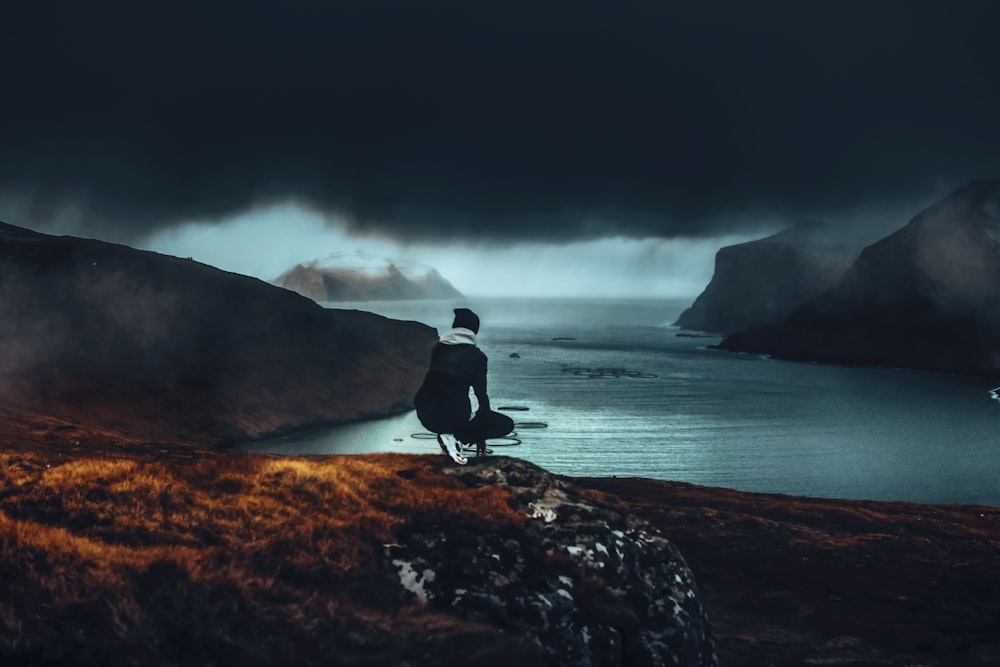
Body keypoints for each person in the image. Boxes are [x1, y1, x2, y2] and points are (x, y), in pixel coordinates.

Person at [414, 307, 514, 464]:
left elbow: (436, 382)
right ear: (474, 331)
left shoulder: (439, 348)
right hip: (454, 415)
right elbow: (481, 393)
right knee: (506, 424)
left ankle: (448, 437)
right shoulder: (477, 357)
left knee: (446, 403)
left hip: (425, 411)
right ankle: (457, 437)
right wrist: (481, 430)